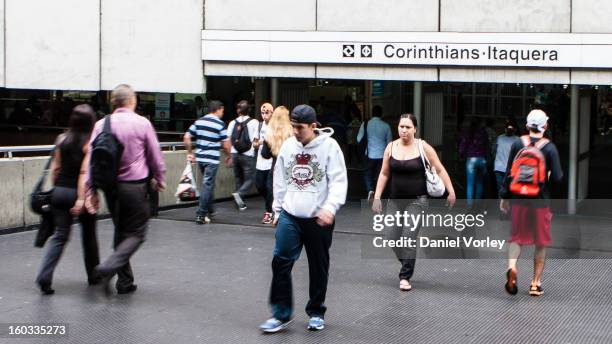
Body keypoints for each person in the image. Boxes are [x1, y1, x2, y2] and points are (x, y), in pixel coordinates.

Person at [258, 104, 347, 333]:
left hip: (318, 216)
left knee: (318, 266)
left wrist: (330, 207)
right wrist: (277, 210)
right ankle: (280, 314)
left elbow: (338, 180)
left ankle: (316, 311)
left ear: (313, 126)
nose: (296, 131)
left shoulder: (329, 147)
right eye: (293, 126)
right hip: (290, 214)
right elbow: (280, 178)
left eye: (300, 128)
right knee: (280, 261)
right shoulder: (288, 146)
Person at [85, 84, 166, 295]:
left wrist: (90, 189)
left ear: (114, 102)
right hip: (134, 187)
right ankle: (108, 267)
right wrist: (160, 177)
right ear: (133, 101)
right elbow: (155, 155)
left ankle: (125, 281)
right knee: (137, 233)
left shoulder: (101, 125)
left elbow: (91, 159)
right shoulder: (142, 123)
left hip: (109, 187)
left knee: (121, 232)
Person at [371, 114, 455, 291]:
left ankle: (405, 276)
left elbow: (439, 169)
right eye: (401, 126)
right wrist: (377, 196)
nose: (404, 130)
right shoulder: (391, 147)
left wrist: (451, 191)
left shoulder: (422, 147)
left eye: (408, 127)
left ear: (415, 129)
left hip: (417, 201)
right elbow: (384, 173)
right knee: (391, 236)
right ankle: (407, 262)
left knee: (408, 237)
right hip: (395, 200)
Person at [35, 104, 100, 295]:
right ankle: (93, 275)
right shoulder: (90, 142)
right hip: (80, 193)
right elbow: (83, 172)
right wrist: (81, 199)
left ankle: (44, 276)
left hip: (60, 192)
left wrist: (57, 189)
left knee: (60, 236)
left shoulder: (61, 139)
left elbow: (55, 169)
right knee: (89, 235)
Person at [500, 109, 563, 297]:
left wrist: (504, 197)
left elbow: (509, 172)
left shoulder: (518, 143)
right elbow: (559, 177)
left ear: (527, 126)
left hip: (519, 199)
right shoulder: (550, 148)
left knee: (516, 238)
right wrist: (548, 175)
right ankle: (535, 284)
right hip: (540, 201)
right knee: (541, 242)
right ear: (546, 126)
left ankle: (512, 267)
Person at [184, 100, 232, 224]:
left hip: (200, 158)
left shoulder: (199, 121)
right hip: (212, 159)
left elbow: (187, 136)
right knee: (207, 185)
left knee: (207, 184)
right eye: (222, 110)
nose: (223, 113)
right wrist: (229, 156)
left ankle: (210, 209)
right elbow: (226, 144)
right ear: (218, 109)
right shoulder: (220, 124)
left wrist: (190, 152)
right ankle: (201, 214)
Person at [227, 100, 260, 210]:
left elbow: (228, 139)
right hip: (248, 154)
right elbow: (256, 139)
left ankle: (239, 204)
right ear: (249, 110)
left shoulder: (232, 123)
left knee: (238, 178)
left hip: (235, 153)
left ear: (238, 110)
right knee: (250, 178)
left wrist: (229, 155)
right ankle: (239, 195)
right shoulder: (254, 122)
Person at [357, 105, 392, 200]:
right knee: (381, 174)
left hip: (369, 154)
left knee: (367, 173)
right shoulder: (386, 126)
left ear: (372, 113)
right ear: (381, 114)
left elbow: (359, 138)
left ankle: (370, 190)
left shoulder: (366, 124)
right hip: (382, 155)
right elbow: (389, 143)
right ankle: (378, 192)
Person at [458, 117, 490, 206]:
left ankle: (470, 206)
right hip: (482, 159)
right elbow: (487, 146)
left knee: (470, 184)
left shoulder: (468, 133)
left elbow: (463, 146)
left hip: (471, 160)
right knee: (480, 183)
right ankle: (478, 204)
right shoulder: (484, 133)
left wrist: (461, 155)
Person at [253, 102, 274, 224]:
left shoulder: (275, 126)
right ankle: (272, 204)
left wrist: (263, 142)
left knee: (269, 187)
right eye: (262, 112)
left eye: (267, 112)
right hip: (261, 160)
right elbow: (255, 142)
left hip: (271, 160)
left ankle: (269, 211)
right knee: (259, 185)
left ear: (272, 113)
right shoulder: (259, 125)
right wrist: (258, 143)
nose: (264, 115)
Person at [493, 120, 520, 198]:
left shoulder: (499, 138)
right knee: (511, 190)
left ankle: (501, 207)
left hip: (499, 168)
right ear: (515, 130)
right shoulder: (518, 140)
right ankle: (509, 208)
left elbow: (494, 150)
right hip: (511, 169)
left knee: (500, 189)